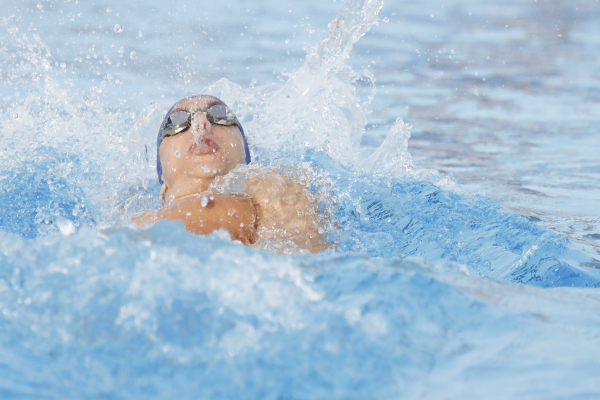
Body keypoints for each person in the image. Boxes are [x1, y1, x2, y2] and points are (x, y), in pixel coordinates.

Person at [133, 94, 329, 253]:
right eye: (176, 121)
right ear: (163, 182)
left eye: (219, 114)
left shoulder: (270, 188)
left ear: (244, 157)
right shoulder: (133, 220)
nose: (200, 123)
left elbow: (304, 259)